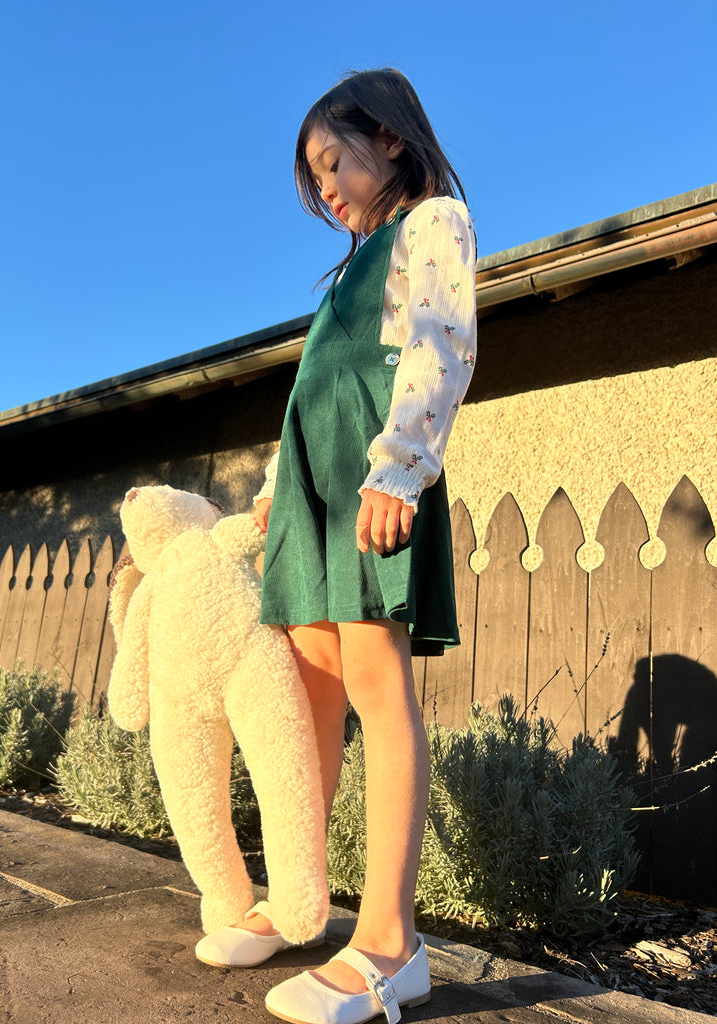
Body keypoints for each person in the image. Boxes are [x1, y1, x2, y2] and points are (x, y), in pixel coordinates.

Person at [197, 68, 477, 1024]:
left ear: (389, 139)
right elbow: (313, 394)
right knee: (307, 679)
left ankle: (392, 947)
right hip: (311, 499)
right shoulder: (351, 266)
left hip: (370, 481)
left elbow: (441, 344)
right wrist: (282, 495)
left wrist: (399, 469)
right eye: (312, 179)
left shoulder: (431, 223)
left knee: (371, 680)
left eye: (333, 163)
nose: (325, 190)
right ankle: (301, 900)